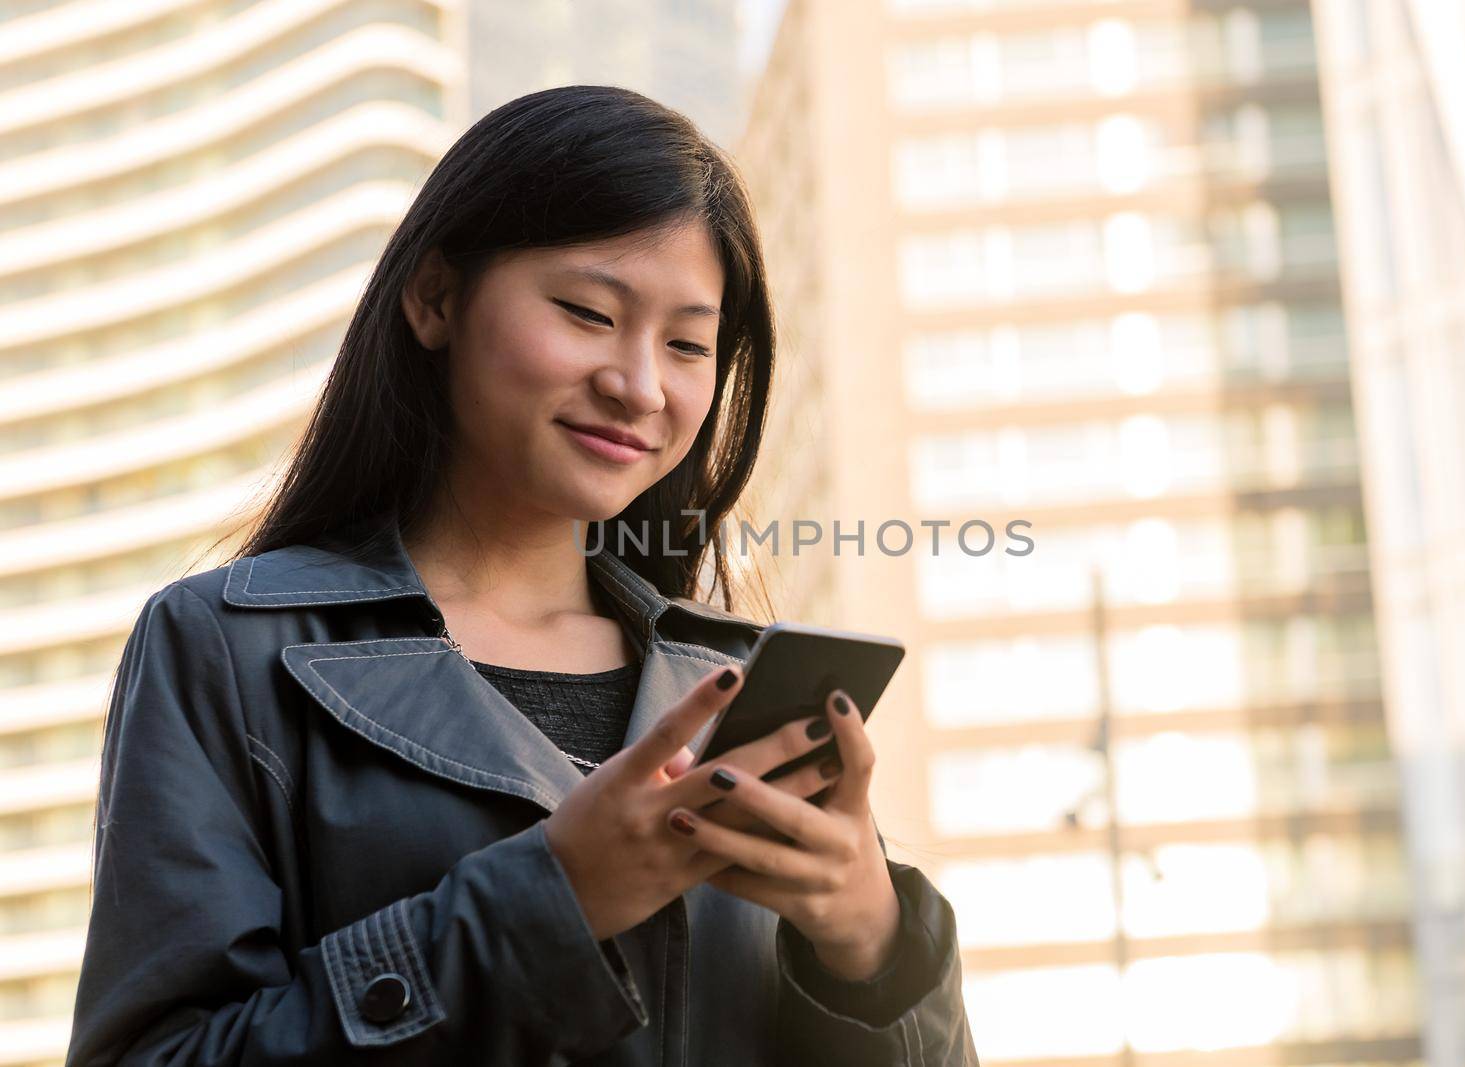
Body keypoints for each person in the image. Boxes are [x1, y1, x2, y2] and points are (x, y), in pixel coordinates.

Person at [65, 86, 980, 1066]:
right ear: (434, 297)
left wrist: (875, 949)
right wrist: (547, 902)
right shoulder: (227, 647)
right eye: (588, 312)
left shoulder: (740, 689)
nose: (639, 384)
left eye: (685, 342)